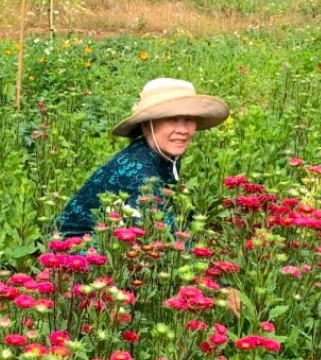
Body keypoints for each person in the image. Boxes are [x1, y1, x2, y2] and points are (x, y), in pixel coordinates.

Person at [55, 78, 229, 239]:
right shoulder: (139, 172)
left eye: (189, 119)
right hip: (76, 253)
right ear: (147, 124)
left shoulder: (161, 153)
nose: (183, 130)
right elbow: (162, 237)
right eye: (171, 119)